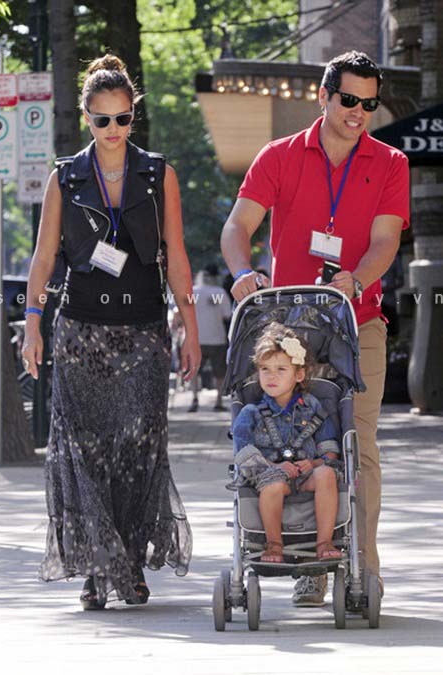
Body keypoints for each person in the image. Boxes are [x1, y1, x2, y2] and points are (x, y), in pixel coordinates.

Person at [221, 51, 410, 605]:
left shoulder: (390, 162)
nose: (358, 112)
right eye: (348, 99)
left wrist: (357, 279)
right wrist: (241, 271)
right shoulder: (279, 156)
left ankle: (362, 570)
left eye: (369, 104)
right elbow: (239, 225)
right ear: (324, 96)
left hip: (357, 321)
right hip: (289, 330)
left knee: (357, 444)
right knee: (293, 444)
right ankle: (310, 563)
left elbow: (385, 240)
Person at [22, 54, 201, 610]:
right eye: (102, 120)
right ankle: (98, 571)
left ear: (133, 115)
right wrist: (33, 325)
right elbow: (43, 258)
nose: (114, 130)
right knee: (86, 453)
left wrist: (191, 327)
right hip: (81, 334)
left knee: (139, 449)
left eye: (123, 118)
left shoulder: (158, 175)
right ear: (86, 119)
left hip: (144, 331)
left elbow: (176, 256)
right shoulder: (66, 177)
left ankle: (129, 560)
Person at [232, 323, 341, 569]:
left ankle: (324, 542)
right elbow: (243, 454)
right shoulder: (251, 413)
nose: (272, 376)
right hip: (268, 476)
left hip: (306, 475)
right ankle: (274, 544)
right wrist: (274, 468)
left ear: (298, 375)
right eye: (265, 369)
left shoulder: (313, 407)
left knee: (326, 474)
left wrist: (313, 463)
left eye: (281, 369)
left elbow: (330, 450)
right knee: (272, 485)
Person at [188, 263, 232, 412]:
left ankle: (194, 398)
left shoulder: (192, 291)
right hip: (217, 337)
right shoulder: (219, 292)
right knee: (219, 373)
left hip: (196, 338)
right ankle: (218, 400)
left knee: (194, 371)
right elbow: (227, 314)